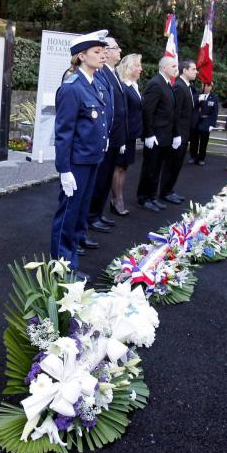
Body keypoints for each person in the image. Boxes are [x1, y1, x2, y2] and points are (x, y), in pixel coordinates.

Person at [50, 31, 110, 280]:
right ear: (81, 55)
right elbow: (64, 132)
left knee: (81, 214)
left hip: (92, 159)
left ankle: (71, 258)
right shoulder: (72, 87)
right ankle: (61, 266)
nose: (102, 55)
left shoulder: (95, 83)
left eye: (103, 51)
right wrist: (64, 170)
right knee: (68, 215)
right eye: (97, 52)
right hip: (76, 163)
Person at [87, 37, 127, 234]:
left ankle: (97, 213)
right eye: (114, 47)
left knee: (105, 179)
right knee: (100, 179)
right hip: (106, 137)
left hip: (113, 137)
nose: (118, 50)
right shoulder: (101, 73)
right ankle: (91, 216)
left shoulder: (113, 73)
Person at [136, 56, 178, 212]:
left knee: (157, 169)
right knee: (150, 168)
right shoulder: (155, 84)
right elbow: (148, 111)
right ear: (164, 68)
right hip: (155, 136)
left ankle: (152, 196)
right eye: (173, 66)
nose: (176, 69)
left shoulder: (167, 84)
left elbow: (170, 112)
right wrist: (148, 134)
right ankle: (143, 198)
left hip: (164, 136)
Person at [159, 60, 198, 204]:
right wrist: (176, 134)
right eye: (193, 69)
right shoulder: (179, 87)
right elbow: (175, 113)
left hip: (184, 133)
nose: (196, 72)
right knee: (171, 164)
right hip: (178, 134)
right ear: (185, 71)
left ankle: (169, 190)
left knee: (177, 164)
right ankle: (165, 192)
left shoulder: (187, 87)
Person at [110, 53, 143, 216]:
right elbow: (121, 114)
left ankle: (117, 198)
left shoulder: (134, 86)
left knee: (124, 167)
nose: (141, 69)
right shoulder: (124, 86)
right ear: (130, 68)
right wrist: (121, 138)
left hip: (131, 134)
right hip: (124, 134)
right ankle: (117, 200)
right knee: (118, 167)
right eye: (138, 66)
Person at [188, 80, 218, 165]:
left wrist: (212, 124)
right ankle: (193, 156)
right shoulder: (197, 95)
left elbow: (214, 113)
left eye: (209, 86)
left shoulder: (214, 98)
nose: (207, 87)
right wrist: (199, 99)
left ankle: (201, 158)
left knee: (204, 142)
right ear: (202, 86)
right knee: (194, 141)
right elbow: (192, 104)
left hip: (206, 122)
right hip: (196, 121)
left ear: (211, 87)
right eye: (205, 85)